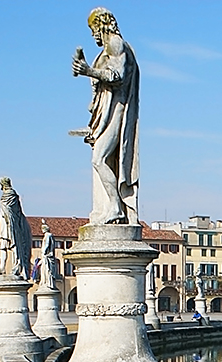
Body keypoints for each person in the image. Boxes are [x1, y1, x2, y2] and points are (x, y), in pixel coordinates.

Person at [72, 7, 140, 225]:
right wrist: (85, 70)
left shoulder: (116, 44)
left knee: (99, 159)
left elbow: (117, 76)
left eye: (93, 29)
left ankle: (116, 208)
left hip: (117, 111)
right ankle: (109, 208)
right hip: (104, 112)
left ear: (102, 25)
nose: (93, 35)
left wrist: (88, 71)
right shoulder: (105, 51)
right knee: (101, 159)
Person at [0, 177, 32, 279]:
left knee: (14, 245)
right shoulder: (11, 196)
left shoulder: (11, 195)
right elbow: (18, 211)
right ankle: (2, 267)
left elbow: (17, 212)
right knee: (4, 245)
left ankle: (17, 267)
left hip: (11, 223)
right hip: (5, 223)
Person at [39, 222, 58, 290]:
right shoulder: (48, 235)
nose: (42, 230)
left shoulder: (48, 235)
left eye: (42, 228)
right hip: (47, 256)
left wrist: (44, 252)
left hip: (47, 256)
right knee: (46, 269)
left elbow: (47, 244)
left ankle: (48, 283)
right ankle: (47, 282)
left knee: (47, 269)